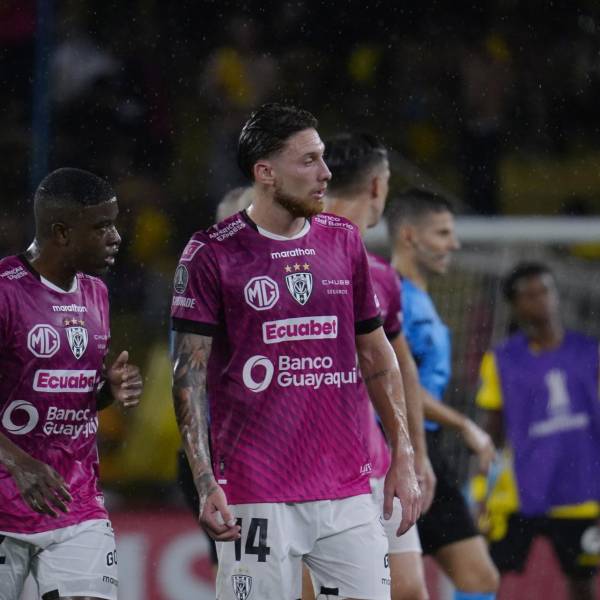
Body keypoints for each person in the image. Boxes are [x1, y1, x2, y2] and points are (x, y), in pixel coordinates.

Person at [171, 103, 420, 600]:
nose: (325, 173)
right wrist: (204, 479)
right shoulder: (211, 253)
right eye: (308, 160)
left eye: (323, 157)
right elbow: (188, 376)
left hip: (347, 488)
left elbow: (376, 355)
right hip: (256, 491)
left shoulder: (344, 241)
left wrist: (403, 453)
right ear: (265, 172)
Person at [0, 167, 143, 600]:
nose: (116, 237)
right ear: (61, 232)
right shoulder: (5, 292)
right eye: (102, 227)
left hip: (75, 503)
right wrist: (20, 463)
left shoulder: (96, 293)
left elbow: (66, 397)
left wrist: (107, 390)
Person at [323, 132, 435, 600]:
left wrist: (413, 454)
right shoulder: (293, 262)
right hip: (308, 473)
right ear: (376, 186)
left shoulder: (380, 274)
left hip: (372, 462)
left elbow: (400, 367)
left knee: (408, 591)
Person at [387, 189, 499, 600]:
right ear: (409, 236)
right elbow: (395, 382)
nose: (454, 244)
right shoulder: (393, 297)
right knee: (402, 588)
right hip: (394, 450)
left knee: (477, 576)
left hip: (426, 446)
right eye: (442, 233)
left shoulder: (418, 298)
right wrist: (464, 423)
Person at [475, 262, 600, 600]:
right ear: (514, 305)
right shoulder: (502, 359)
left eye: (545, 290)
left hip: (579, 491)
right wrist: (481, 488)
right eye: (528, 295)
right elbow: (492, 431)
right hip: (519, 491)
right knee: (489, 577)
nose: (540, 299)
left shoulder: (590, 353)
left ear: (556, 295)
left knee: (583, 583)